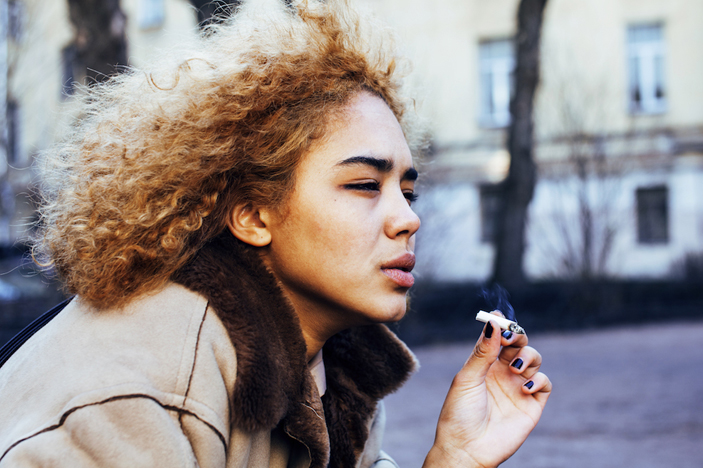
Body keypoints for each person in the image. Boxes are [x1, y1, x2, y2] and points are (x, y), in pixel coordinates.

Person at [0, 1, 551, 467]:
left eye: (408, 191)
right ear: (253, 216)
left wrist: (452, 457)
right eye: (364, 185)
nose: (408, 218)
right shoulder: (138, 392)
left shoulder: (336, 370)